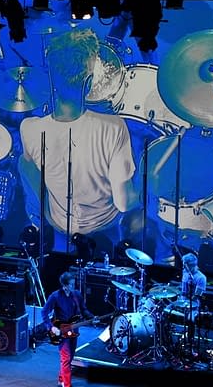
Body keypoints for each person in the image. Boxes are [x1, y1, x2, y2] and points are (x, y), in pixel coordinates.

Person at [18, 27, 142, 257]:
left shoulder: (29, 128)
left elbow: (28, 169)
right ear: (89, 82)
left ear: (51, 78)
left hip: (57, 225)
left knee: (23, 162)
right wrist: (146, 189)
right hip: (104, 228)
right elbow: (124, 204)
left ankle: (41, 223)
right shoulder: (114, 127)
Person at [42, 271, 95, 387]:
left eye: (73, 284)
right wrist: (51, 328)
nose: (73, 286)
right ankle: (67, 384)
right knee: (65, 358)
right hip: (61, 332)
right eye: (71, 284)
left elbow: (84, 309)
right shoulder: (55, 296)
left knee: (70, 357)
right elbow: (44, 312)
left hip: (74, 330)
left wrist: (92, 317)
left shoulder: (77, 295)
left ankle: (61, 379)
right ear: (64, 285)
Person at [179, 252, 207, 350]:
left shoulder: (201, 278)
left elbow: (196, 296)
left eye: (184, 265)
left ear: (190, 265)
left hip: (194, 305)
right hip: (183, 302)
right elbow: (183, 291)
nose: (183, 267)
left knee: (190, 319)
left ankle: (190, 340)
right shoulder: (185, 273)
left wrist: (186, 304)